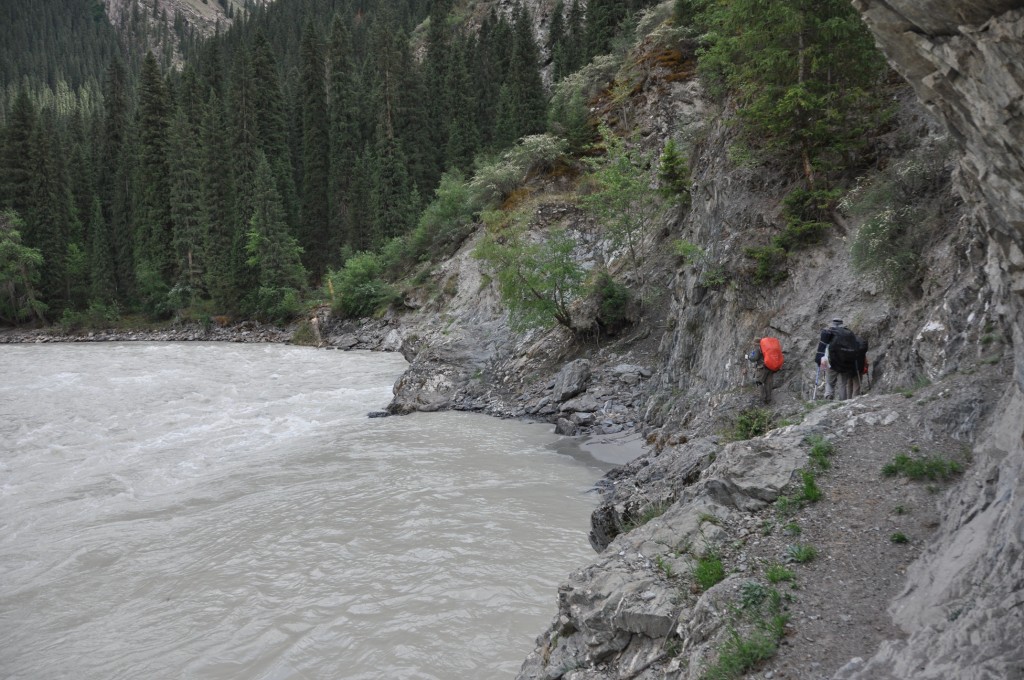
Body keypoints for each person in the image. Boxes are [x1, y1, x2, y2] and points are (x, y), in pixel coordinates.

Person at [815, 318, 860, 400]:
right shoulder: (849, 333)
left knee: (829, 382)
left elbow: (822, 346)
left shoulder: (829, 332)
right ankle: (843, 402)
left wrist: (818, 359)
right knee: (842, 384)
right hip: (845, 362)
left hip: (831, 362)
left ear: (833, 323)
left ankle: (828, 396)